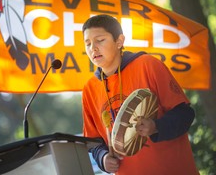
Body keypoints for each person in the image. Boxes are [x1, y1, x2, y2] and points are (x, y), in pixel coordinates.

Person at [81, 14, 199, 175]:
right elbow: (93, 142)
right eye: (87, 43)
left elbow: (185, 114)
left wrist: (156, 127)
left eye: (100, 40)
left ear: (119, 41)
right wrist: (102, 157)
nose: (93, 48)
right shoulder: (89, 88)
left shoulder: (148, 65)